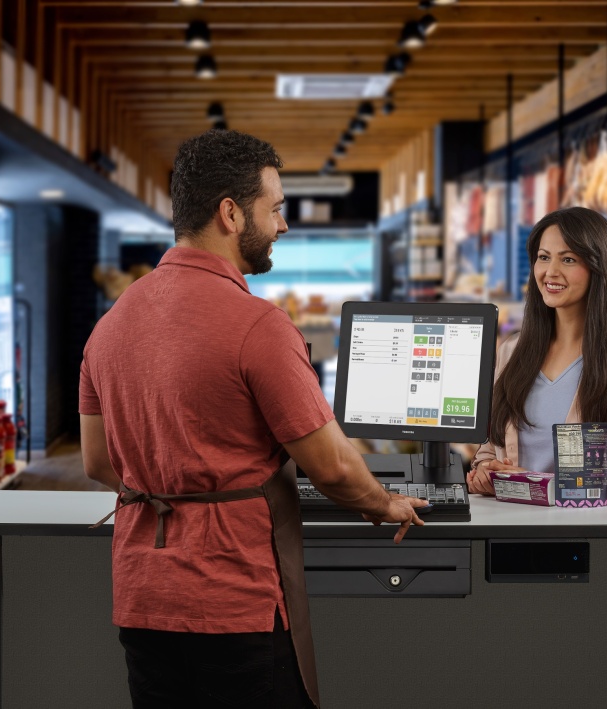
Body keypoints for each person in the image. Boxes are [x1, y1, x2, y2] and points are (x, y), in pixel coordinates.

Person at [79, 129, 427, 709]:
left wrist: (171, 480)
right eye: (276, 209)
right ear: (231, 214)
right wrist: (384, 502)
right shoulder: (259, 327)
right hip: (233, 600)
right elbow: (334, 468)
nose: (283, 225)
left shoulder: (111, 324)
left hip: (143, 600)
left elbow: (97, 462)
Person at [466, 207, 607, 497]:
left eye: (568, 259)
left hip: (586, 531)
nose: (550, 272)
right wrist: (486, 472)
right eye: (544, 257)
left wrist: (541, 485)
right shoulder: (512, 351)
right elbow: (487, 451)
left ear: (598, 267)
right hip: (509, 524)